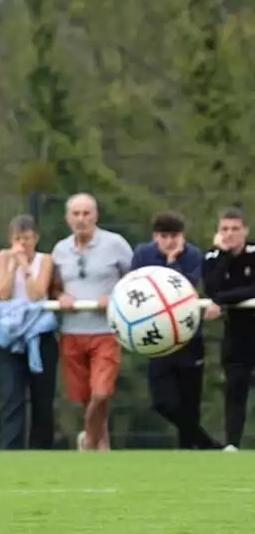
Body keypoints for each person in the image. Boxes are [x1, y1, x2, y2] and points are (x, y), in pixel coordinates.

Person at [131, 212, 221, 450]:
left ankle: (190, 454)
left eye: (175, 235)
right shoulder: (142, 254)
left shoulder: (191, 254)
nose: (170, 241)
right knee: (163, 401)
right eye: (164, 236)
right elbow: (135, 288)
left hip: (189, 335)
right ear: (155, 236)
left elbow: (185, 288)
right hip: (158, 337)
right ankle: (207, 444)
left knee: (190, 402)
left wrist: (172, 261)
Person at [52, 193, 133, 451]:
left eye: (86, 213)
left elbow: (135, 281)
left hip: (105, 331)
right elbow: (53, 286)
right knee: (85, 397)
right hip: (72, 331)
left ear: (96, 216)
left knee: (101, 392)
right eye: (76, 214)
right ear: (67, 218)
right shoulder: (60, 249)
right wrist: (59, 295)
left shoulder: (115, 244)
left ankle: (88, 439)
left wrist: (114, 296)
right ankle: (101, 446)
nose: (81, 219)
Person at [0, 215, 58, 450]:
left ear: (35, 238)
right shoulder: (3, 256)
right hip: (10, 335)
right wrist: (12, 265)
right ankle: (11, 448)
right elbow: (2, 292)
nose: (23, 244)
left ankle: (41, 449)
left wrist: (27, 268)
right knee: (12, 396)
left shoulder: (45, 260)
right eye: (18, 239)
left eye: (27, 238)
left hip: (38, 333)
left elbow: (36, 293)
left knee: (42, 397)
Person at [202, 207, 255, 451]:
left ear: (245, 231)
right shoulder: (212, 258)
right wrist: (223, 255)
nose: (230, 234)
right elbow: (211, 289)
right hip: (236, 333)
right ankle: (232, 443)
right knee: (235, 387)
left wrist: (223, 300)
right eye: (224, 229)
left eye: (235, 229)